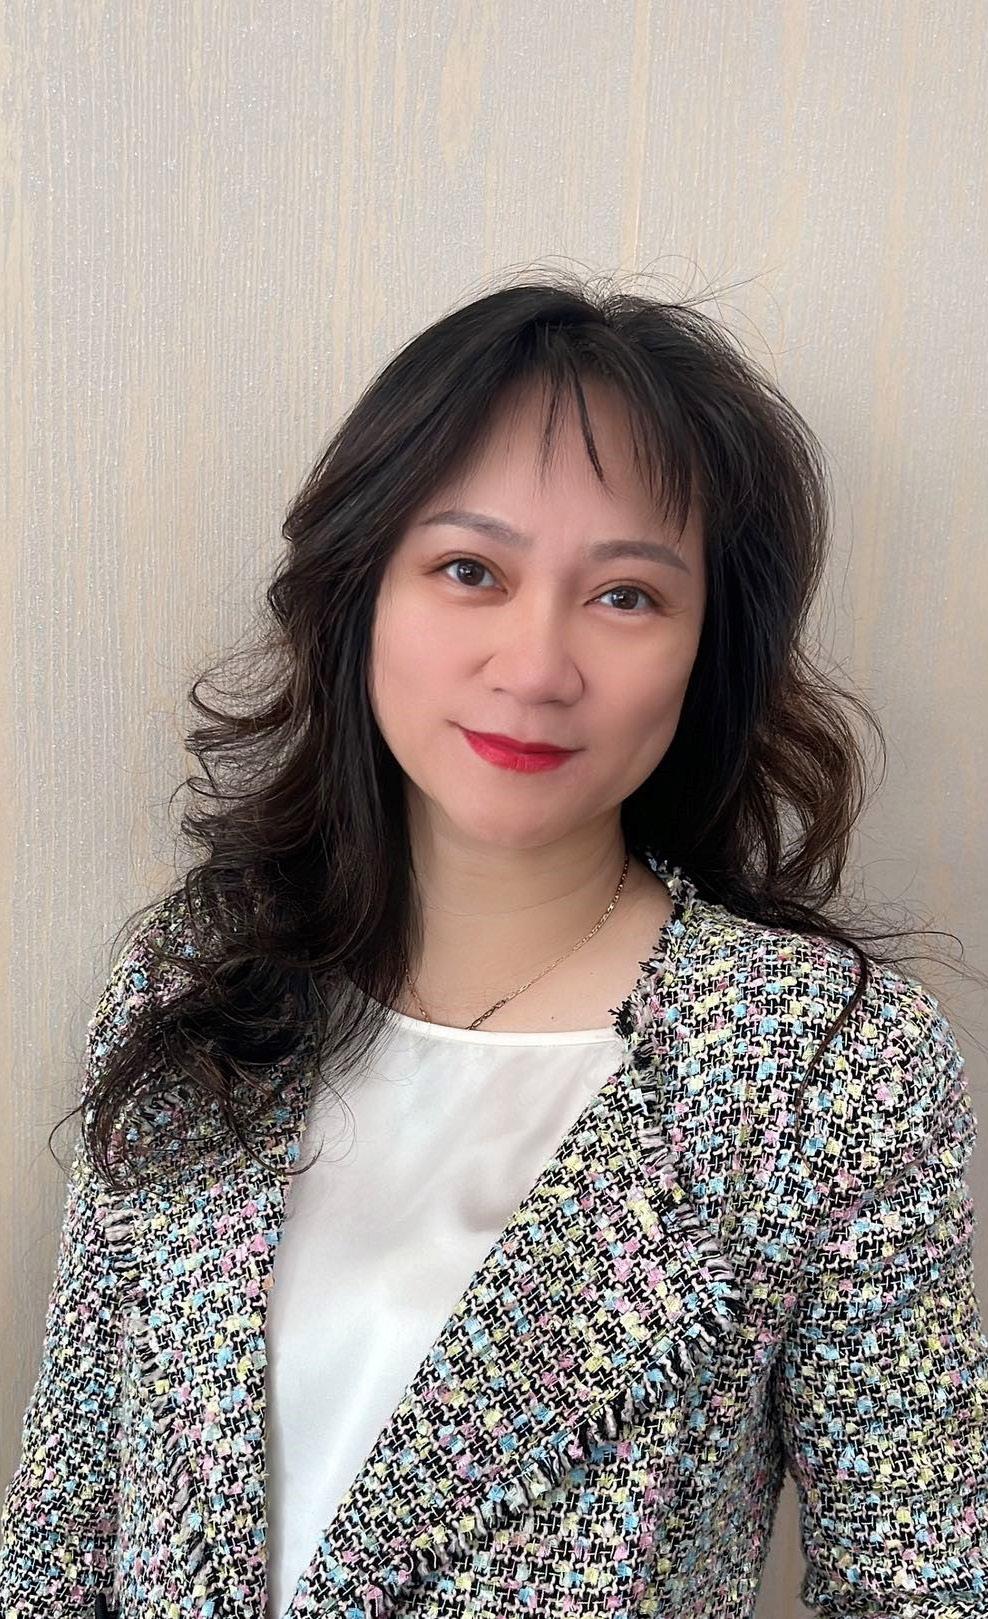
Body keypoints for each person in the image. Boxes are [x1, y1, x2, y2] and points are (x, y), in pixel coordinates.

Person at [1, 272, 986, 1619]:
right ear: (363, 591)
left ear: (707, 649)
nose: (535, 667)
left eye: (626, 596)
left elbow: (918, 1583)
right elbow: (60, 1535)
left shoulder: (829, 1067)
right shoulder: (203, 975)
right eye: (471, 571)